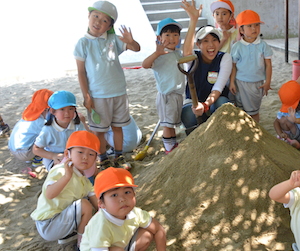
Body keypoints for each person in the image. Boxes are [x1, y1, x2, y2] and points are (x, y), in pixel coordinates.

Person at [74, 1, 141, 171]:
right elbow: (81, 72)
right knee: (99, 130)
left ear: (110, 25)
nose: (98, 22)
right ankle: (103, 158)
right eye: (96, 16)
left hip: (119, 93)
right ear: (88, 16)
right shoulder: (82, 43)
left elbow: (137, 49)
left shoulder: (113, 40)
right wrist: (86, 95)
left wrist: (131, 42)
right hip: (98, 95)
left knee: (117, 127)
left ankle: (118, 156)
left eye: (105, 20)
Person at [77, 167, 167, 251]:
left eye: (127, 192)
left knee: (146, 234)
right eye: (114, 195)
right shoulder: (101, 224)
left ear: (134, 194)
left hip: (119, 249)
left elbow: (158, 229)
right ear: (101, 203)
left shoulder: (136, 213)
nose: (122, 199)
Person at [31, 130, 100, 248]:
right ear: (67, 154)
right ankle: (83, 243)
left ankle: (68, 234)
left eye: (91, 154)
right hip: (49, 224)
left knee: (89, 206)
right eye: (80, 152)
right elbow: (50, 194)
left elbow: (97, 202)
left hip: (59, 220)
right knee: (84, 205)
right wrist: (67, 177)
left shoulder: (83, 178)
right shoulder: (60, 171)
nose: (85, 157)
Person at [181, 0, 232, 132]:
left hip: (214, 101)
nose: (211, 45)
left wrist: (205, 105)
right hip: (194, 101)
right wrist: (193, 20)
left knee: (224, 105)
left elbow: (218, 87)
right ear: (198, 44)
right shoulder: (194, 58)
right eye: (205, 41)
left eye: (214, 40)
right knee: (187, 115)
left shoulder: (224, 58)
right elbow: (186, 53)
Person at [142, 18, 185, 154]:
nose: (171, 38)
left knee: (172, 122)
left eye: (175, 35)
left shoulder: (178, 53)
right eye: (167, 35)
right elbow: (145, 64)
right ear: (159, 38)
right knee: (167, 124)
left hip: (177, 95)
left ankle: (172, 143)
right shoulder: (159, 56)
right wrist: (156, 53)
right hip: (167, 95)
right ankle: (168, 148)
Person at [229, 10, 273, 123]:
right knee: (241, 109)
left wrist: (268, 81)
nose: (254, 29)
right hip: (240, 82)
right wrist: (232, 82)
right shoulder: (237, 46)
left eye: (257, 25)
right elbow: (233, 66)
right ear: (241, 30)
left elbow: (268, 64)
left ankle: (255, 132)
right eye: (250, 26)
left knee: (254, 111)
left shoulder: (263, 45)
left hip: (257, 83)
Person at [33, 90, 86, 171]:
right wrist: (53, 156)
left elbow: (87, 139)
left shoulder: (77, 125)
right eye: (62, 109)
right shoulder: (48, 129)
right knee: (63, 170)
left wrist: (84, 123)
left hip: (74, 155)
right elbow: (36, 149)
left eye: (71, 109)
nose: (67, 113)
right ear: (53, 111)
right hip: (55, 159)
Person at [8, 89, 53, 166]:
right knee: (49, 137)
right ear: (46, 109)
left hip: (13, 148)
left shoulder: (29, 114)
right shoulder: (40, 122)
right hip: (24, 153)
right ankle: (38, 158)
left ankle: (30, 157)